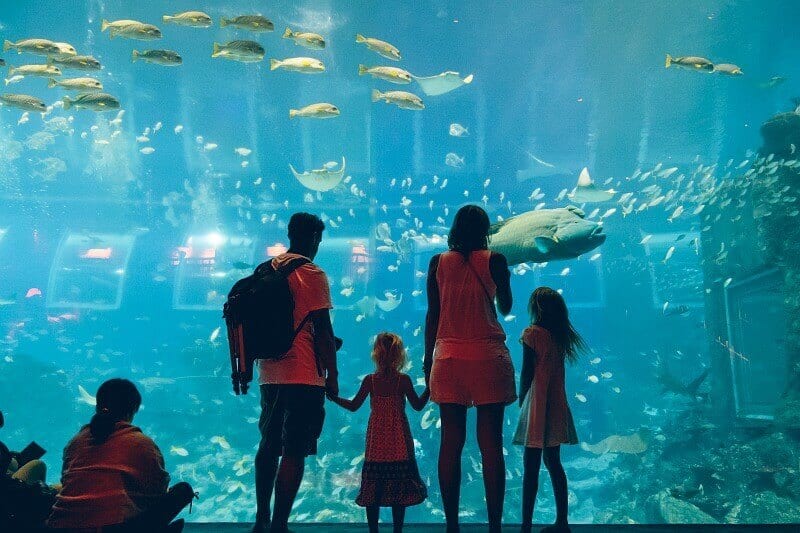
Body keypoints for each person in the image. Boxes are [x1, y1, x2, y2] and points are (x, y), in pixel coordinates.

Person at [424, 204, 516, 533]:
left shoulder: (438, 263)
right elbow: (506, 306)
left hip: (447, 358)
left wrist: (426, 359)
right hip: (488, 358)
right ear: (485, 230)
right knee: (491, 445)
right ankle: (494, 526)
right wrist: (503, 282)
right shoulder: (496, 261)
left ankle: (451, 525)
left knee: (451, 442)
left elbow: (432, 316)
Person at [254, 212, 339, 533]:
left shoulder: (266, 269)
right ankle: (279, 524)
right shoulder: (312, 273)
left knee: (267, 444)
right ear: (315, 238)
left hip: (270, 372)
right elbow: (323, 330)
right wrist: (333, 374)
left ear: (290, 234)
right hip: (304, 373)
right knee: (293, 449)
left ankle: (261, 519)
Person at [47, 378, 195, 532]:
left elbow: (65, 480)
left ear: (97, 406)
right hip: (115, 528)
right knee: (183, 490)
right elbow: (157, 489)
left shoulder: (75, 441)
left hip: (60, 527)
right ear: (133, 411)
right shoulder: (141, 443)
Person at [329, 332, 429, 533]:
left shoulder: (370, 381)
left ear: (376, 354)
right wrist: (430, 386)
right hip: (399, 439)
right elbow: (418, 406)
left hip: (376, 442)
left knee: (373, 487)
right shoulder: (404, 380)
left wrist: (333, 397)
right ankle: (397, 530)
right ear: (399, 355)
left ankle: (373, 530)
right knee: (399, 489)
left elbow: (354, 406)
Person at [514, 287, 585, 533]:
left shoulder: (531, 333)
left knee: (530, 466)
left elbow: (527, 372)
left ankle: (526, 525)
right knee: (554, 462)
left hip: (537, 403)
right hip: (556, 403)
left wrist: (522, 399)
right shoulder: (559, 336)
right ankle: (562, 521)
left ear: (537, 308)